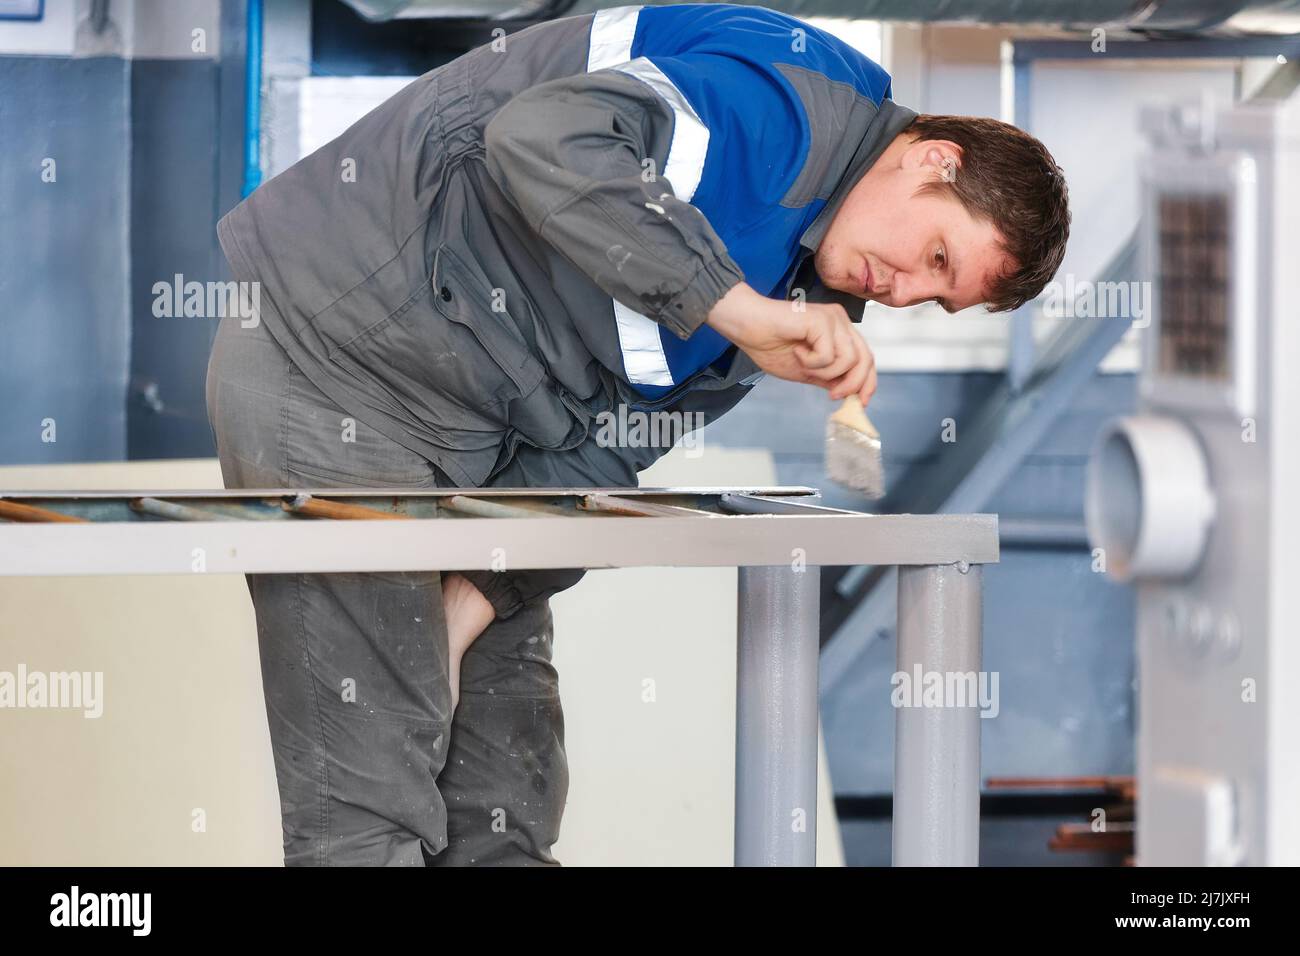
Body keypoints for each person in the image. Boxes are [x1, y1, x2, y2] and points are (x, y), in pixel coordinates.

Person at [205, 2, 1069, 866]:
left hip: (483, 437)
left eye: (937, 298)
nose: (906, 291)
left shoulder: (816, 288)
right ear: (933, 159)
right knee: (370, 797)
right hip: (338, 354)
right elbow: (544, 136)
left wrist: (472, 601)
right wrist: (735, 308)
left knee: (503, 799)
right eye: (938, 257)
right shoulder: (782, 110)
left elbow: (615, 442)